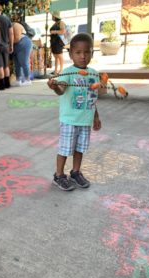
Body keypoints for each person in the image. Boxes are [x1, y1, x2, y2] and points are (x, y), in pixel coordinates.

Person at [47, 33, 101, 191]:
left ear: (92, 53)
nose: (83, 56)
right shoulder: (67, 73)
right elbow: (61, 90)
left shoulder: (93, 74)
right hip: (70, 120)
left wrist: (96, 117)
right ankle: (59, 175)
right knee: (64, 149)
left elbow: (92, 97)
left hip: (85, 120)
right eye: (78, 53)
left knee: (80, 149)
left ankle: (75, 172)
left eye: (86, 52)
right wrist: (55, 86)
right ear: (70, 54)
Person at [11, 18, 33, 86]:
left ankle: (28, 80)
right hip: (17, 45)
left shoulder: (16, 25)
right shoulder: (12, 26)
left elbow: (17, 38)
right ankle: (18, 80)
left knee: (24, 62)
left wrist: (9, 43)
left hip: (23, 43)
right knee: (17, 63)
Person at [49, 11, 66, 75]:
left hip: (58, 42)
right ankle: (56, 70)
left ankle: (61, 70)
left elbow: (63, 31)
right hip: (54, 42)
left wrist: (54, 31)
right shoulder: (56, 23)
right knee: (56, 56)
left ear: (55, 16)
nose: (52, 17)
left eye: (53, 16)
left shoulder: (61, 23)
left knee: (59, 56)